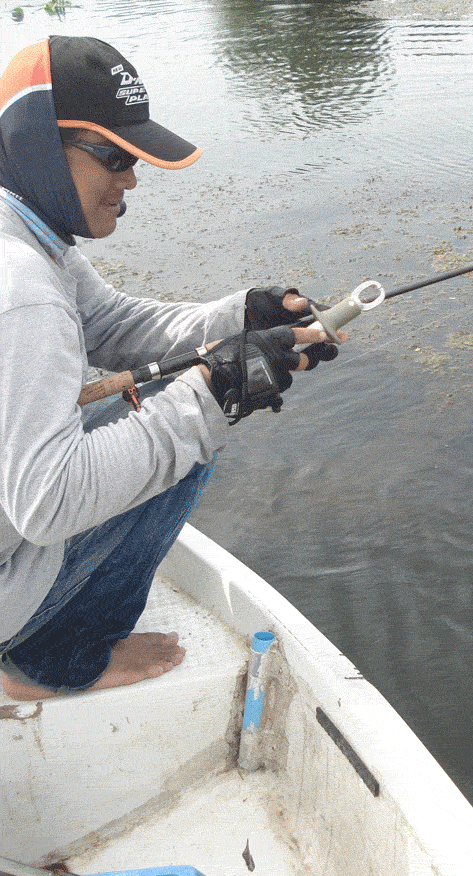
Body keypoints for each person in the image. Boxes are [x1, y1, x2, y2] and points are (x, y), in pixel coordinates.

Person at [0, 35, 338, 701]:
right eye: (116, 156)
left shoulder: (28, 241)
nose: (130, 179)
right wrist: (214, 392)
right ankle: (49, 657)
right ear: (40, 145)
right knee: (190, 429)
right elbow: (46, 502)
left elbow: (116, 324)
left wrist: (242, 317)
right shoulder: (22, 287)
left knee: (178, 400)